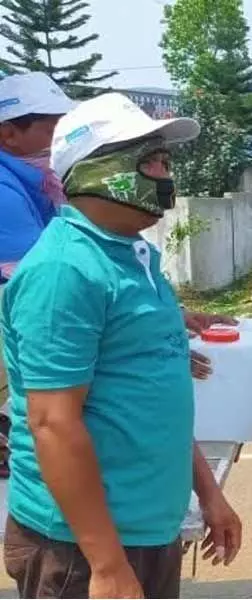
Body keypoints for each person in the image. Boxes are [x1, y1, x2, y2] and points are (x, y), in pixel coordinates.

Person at [1, 92, 243, 599]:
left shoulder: (137, 260)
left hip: (145, 527)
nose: (163, 174)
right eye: (149, 160)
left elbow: (154, 392)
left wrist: (208, 493)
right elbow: (53, 424)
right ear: (95, 169)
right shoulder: (65, 271)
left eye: (165, 160)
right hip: (81, 547)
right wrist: (107, 564)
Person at [0, 72, 75, 444]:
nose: (59, 141)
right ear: (8, 134)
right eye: (51, 130)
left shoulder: (41, 182)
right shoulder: (3, 191)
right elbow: (49, 284)